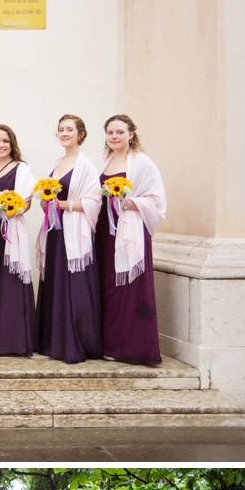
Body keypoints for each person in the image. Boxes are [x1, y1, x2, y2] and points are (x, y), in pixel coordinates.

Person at [95, 114, 166, 366]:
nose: (114, 137)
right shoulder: (105, 163)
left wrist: (131, 202)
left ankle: (133, 347)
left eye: (120, 132)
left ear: (131, 135)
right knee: (108, 286)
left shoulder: (142, 163)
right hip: (105, 231)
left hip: (130, 232)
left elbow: (157, 201)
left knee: (129, 288)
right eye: (110, 132)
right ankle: (109, 343)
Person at [35, 114, 102, 363]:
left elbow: (94, 201)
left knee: (74, 284)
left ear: (80, 135)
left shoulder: (86, 165)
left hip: (73, 231)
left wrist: (62, 204)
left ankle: (75, 342)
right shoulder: (57, 163)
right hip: (54, 231)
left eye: (70, 130)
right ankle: (53, 340)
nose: (64, 133)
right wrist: (45, 203)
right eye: (61, 129)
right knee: (55, 281)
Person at [0, 124, 36, 356]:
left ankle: (13, 340)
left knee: (10, 282)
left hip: (9, 233)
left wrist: (14, 209)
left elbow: (27, 202)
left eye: (5, 141)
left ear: (11, 143)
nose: (1, 145)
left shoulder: (20, 168)